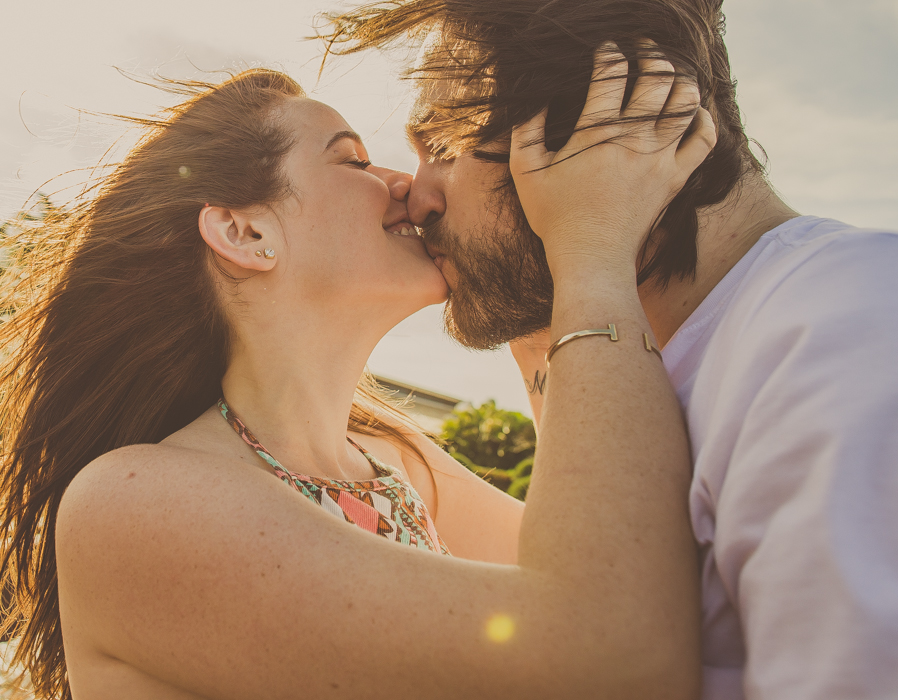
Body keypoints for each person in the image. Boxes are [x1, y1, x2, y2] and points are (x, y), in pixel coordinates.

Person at [0, 58, 713, 698]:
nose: (403, 182)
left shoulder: (397, 466)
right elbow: (616, 654)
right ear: (246, 230)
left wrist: (530, 297)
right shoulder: (134, 500)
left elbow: (620, 563)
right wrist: (592, 256)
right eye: (354, 160)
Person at [320, 1, 898, 698]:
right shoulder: (649, 359)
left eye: (444, 143)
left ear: (607, 109)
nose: (419, 199)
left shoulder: (846, 335)